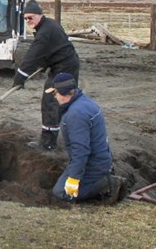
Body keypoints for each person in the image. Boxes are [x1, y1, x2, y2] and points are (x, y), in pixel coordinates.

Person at [13, 0, 80, 150]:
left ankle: (48, 143)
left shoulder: (44, 32)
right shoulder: (49, 24)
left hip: (64, 69)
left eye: (31, 17)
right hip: (65, 65)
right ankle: (68, 137)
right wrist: (46, 63)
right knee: (63, 103)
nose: (28, 21)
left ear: (39, 15)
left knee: (51, 101)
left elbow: (33, 55)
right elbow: (54, 48)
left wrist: (20, 76)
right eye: (26, 18)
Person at [48, 73, 125, 204]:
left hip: (94, 164)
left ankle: (107, 183)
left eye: (55, 93)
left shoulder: (76, 114)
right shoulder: (83, 101)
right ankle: (101, 176)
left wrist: (74, 178)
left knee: (61, 192)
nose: (54, 96)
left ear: (65, 93)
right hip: (100, 159)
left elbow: (81, 151)